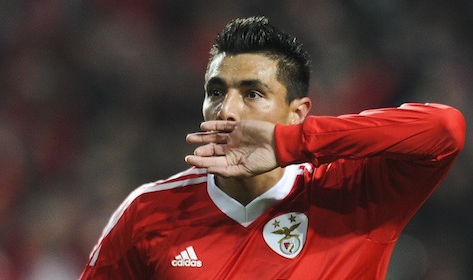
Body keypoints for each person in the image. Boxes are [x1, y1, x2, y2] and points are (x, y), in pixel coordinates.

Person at [79, 16, 465, 279]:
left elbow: (444, 129)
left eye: (252, 93)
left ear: (298, 113)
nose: (227, 110)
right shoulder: (149, 213)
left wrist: (291, 143)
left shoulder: (355, 194)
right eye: (216, 92)